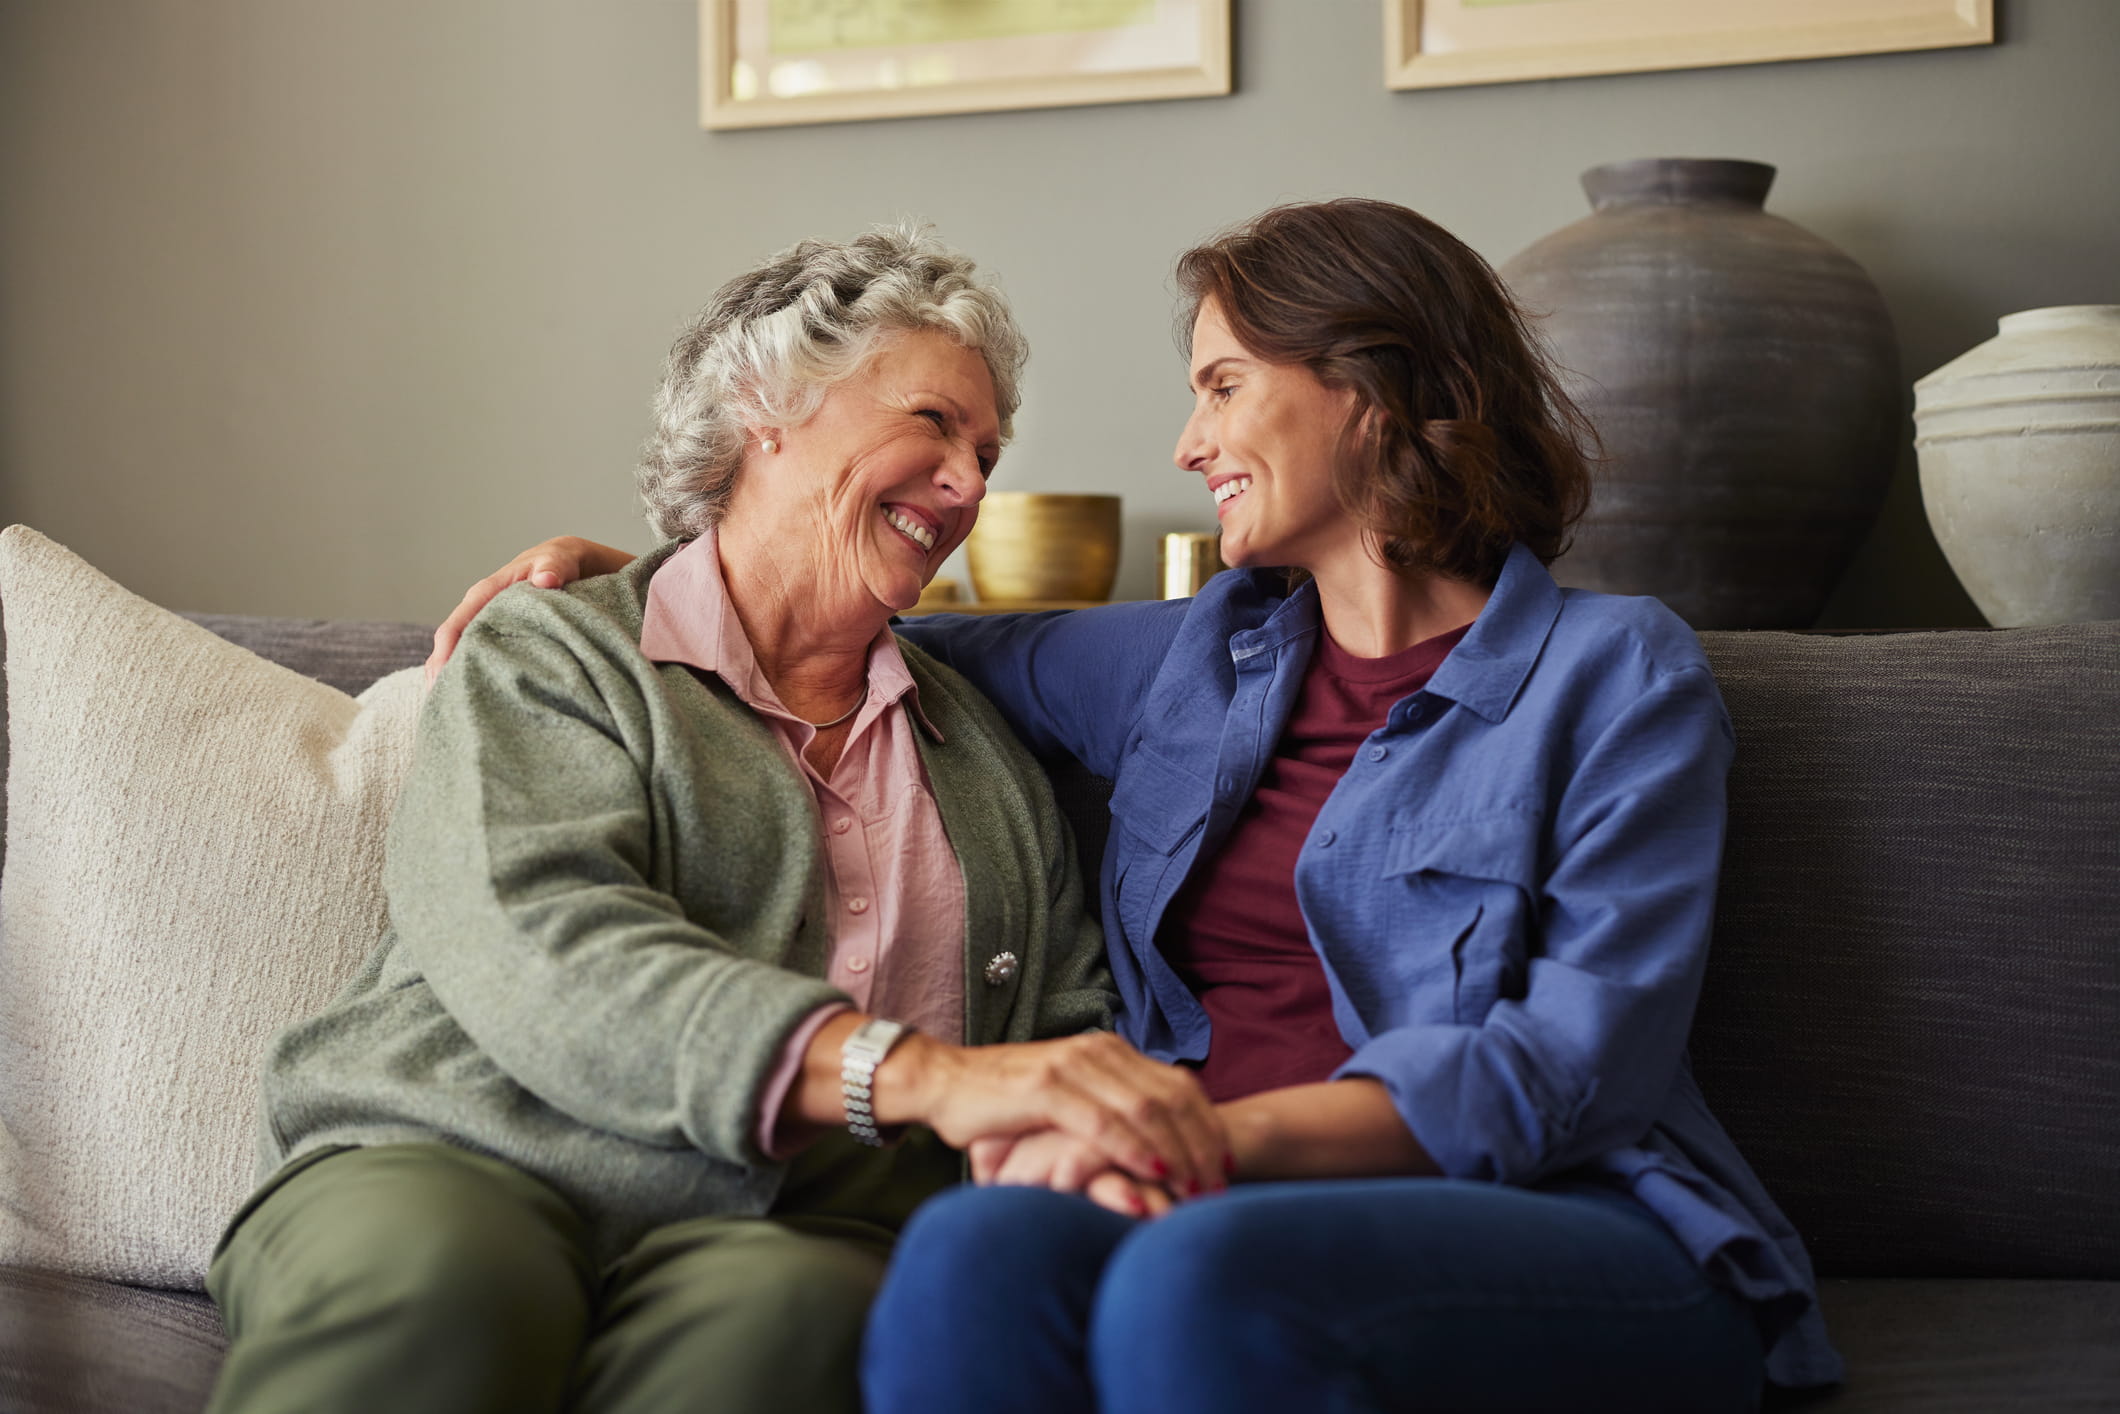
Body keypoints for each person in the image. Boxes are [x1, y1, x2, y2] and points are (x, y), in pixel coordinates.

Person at [437, 199, 1841, 1411]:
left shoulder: (1614, 673)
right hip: (1198, 1199)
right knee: (970, 1249)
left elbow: (1569, 1067)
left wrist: (1210, 1138)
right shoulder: (1194, 660)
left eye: (1223, 385)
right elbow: (880, 627)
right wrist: (678, 573)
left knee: (1195, 1271)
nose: (1188, 439)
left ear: (1366, 387)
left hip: (1559, 1222)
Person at [205, 225, 1229, 1414]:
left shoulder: (987, 756)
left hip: (785, 1222)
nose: (969, 485)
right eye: (933, 424)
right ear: (766, 410)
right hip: (464, 1152)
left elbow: (1057, 1022)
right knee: (448, 1284)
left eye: (987, 450)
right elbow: (541, 939)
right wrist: (912, 1074)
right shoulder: (560, 653)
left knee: (791, 1319)